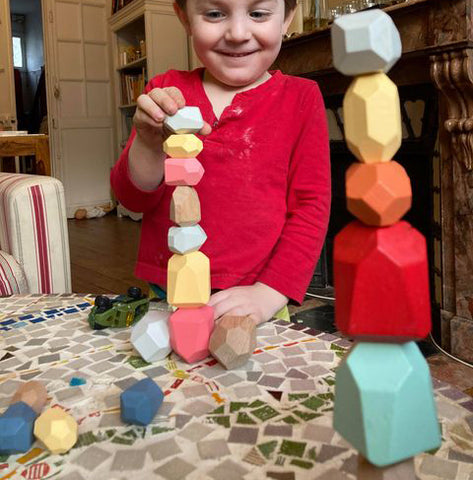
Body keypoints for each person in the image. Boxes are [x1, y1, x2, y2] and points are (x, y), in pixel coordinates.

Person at [110, 0, 331, 325]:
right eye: (215, 14)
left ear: (287, 18)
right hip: (169, 292)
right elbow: (132, 198)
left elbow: (312, 207)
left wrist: (269, 292)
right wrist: (147, 141)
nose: (238, 33)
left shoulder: (302, 98)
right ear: (185, 18)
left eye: (258, 13)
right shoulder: (165, 93)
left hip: (256, 298)